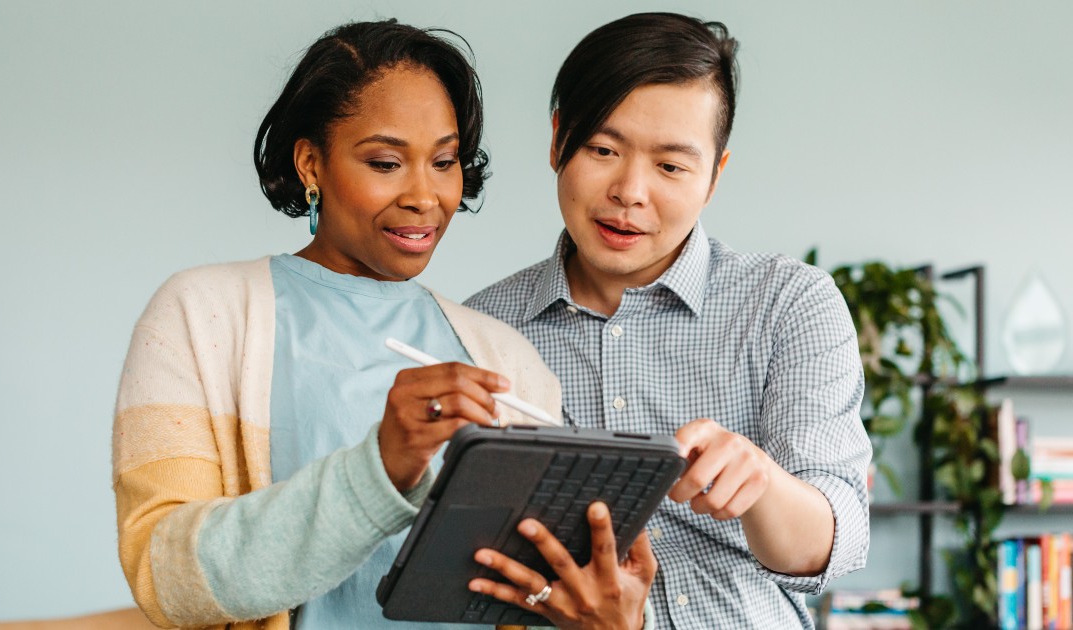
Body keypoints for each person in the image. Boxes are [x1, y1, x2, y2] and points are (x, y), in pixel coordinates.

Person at [112, 20, 655, 630]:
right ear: (311, 163)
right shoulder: (202, 316)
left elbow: (521, 599)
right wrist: (379, 469)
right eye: (386, 161)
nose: (425, 196)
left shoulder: (506, 357)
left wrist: (608, 620)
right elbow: (164, 576)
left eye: (444, 161)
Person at [466, 12, 872, 629]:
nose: (630, 191)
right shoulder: (484, 328)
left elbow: (827, 544)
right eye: (603, 149)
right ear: (557, 140)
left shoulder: (790, 302)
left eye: (672, 167)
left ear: (714, 177)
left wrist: (760, 483)